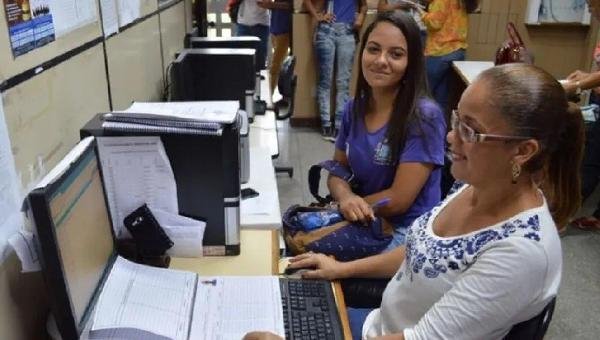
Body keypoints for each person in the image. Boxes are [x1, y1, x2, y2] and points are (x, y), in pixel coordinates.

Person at [277, 63, 583, 340]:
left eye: (469, 130)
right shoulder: (473, 185)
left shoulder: (521, 253)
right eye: (456, 120)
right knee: (280, 300)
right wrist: (342, 269)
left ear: (523, 151)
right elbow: (422, 252)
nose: (451, 137)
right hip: (380, 325)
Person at [329, 11, 446, 252]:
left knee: (312, 261)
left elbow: (398, 201)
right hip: (365, 218)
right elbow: (337, 170)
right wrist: (344, 198)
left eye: (396, 54)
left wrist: (347, 206)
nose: (381, 60)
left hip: (406, 233)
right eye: (373, 49)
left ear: (411, 62)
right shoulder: (355, 107)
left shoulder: (424, 116)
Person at [304, 0, 368, 138]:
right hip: (326, 30)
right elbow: (306, 2)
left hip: (348, 31)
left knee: (343, 82)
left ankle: (340, 125)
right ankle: (326, 123)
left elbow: (364, 5)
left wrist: (361, 16)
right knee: (325, 81)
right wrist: (317, 16)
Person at [408, 0, 477, 112]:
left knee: (424, 93)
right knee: (443, 96)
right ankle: (440, 126)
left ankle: (422, 124)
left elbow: (434, 23)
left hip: (439, 51)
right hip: (458, 51)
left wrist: (420, 11)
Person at [256, 0, 293, 98]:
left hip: (284, 30)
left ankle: (268, 98)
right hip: (275, 29)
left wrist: (272, 5)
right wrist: (268, 5)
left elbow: (291, 6)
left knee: (275, 67)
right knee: (279, 66)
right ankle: (283, 96)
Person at [234, 0, 270, 70]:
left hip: (261, 23)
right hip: (243, 22)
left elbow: (267, 3)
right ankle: (244, 79)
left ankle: (258, 78)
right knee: (242, 58)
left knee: (260, 59)